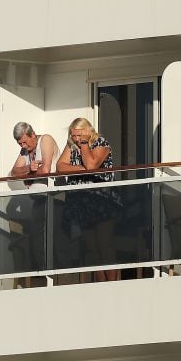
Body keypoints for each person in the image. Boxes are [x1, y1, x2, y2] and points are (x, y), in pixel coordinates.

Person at [55, 117, 120, 282]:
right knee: (91, 247)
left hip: (102, 200)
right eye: (73, 135)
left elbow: (92, 165)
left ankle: (113, 283)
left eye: (79, 135)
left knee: (104, 243)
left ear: (87, 131)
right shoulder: (71, 145)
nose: (76, 138)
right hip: (81, 202)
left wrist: (84, 145)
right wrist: (82, 170)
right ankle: (100, 283)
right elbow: (60, 166)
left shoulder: (101, 143)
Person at [7, 123, 59, 275]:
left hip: (54, 197)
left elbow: (45, 171)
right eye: (19, 143)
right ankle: (43, 275)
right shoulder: (25, 150)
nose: (23, 145)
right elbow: (13, 173)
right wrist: (29, 169)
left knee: (55, 239)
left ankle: (59, 279)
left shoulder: (45, 140)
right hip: (38, 200)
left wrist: (27, 177)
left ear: (33, 135)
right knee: (39, 242)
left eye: (25, 141)